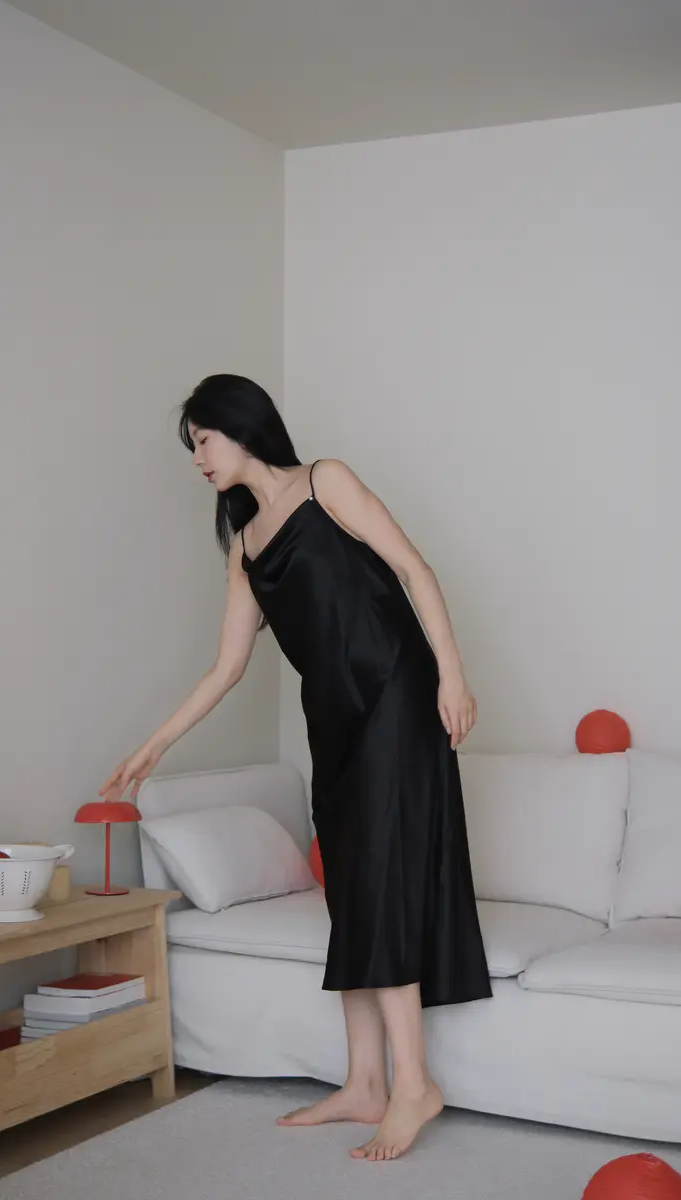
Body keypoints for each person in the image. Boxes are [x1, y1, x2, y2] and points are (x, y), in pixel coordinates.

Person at [99, 374, 492, 1161]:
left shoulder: (326, 482)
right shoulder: (245, 550)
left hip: (395, 696)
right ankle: (365, 1082)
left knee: (379, 879)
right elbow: (226, 668)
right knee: (349, 886)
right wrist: (153, 745)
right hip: (334, 722)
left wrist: (452, 674)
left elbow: (414, 569)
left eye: (203, 440)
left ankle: (414, 1085)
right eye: (192, 447)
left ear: (241, 425)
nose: (198, 459)